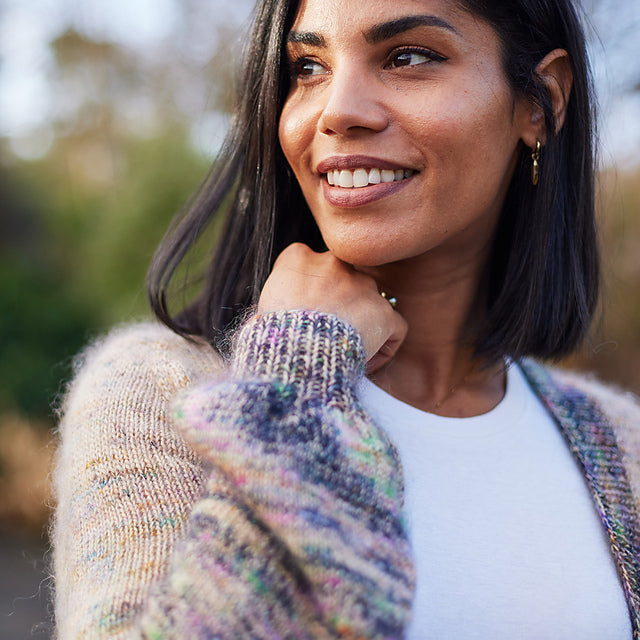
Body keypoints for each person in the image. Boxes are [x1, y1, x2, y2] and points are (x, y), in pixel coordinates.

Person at [52, 0, 640, 637]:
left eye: (408, 57)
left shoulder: (625, 447)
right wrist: (300, 374)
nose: (337, 110)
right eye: (307, 68)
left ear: (541, 103)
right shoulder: (156, 395)